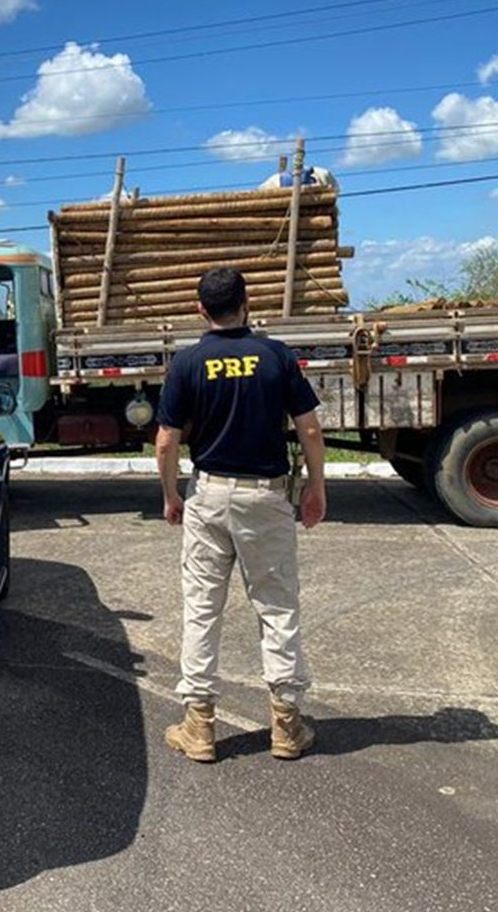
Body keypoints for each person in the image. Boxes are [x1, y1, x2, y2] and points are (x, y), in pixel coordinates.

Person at [154, 267, 327, 762]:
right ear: (247, 303)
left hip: (209, 495)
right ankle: (286, 725)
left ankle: (200, 726)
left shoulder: (188, 363)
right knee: (276, 607)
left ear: (200, 309)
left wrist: (170, 496)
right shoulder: (276, 356)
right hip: (266, 498)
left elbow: (167, 440)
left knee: (202, 608)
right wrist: (316, 488)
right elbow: (310, 431)